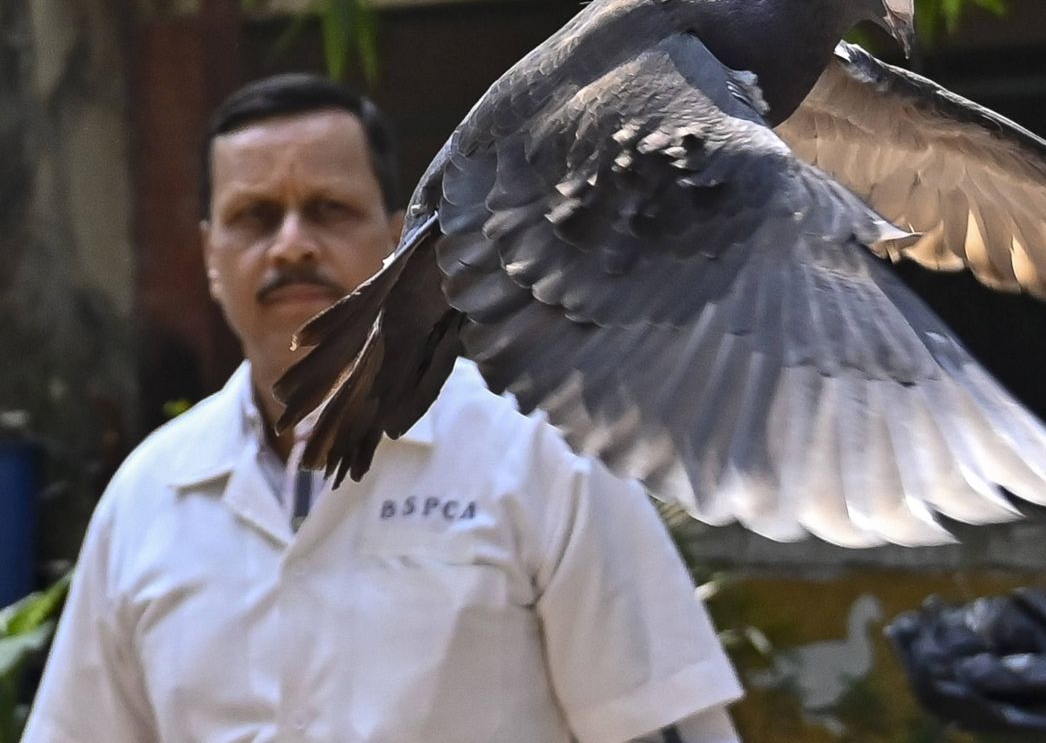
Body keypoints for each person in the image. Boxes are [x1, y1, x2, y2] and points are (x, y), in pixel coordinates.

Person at [23, 74, 744, 743]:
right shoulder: (148, 497)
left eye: (328, 210)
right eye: (254, 216)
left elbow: (662, 723)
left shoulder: (540, 456)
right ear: (211, 254)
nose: (292, 244)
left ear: (399, 237)